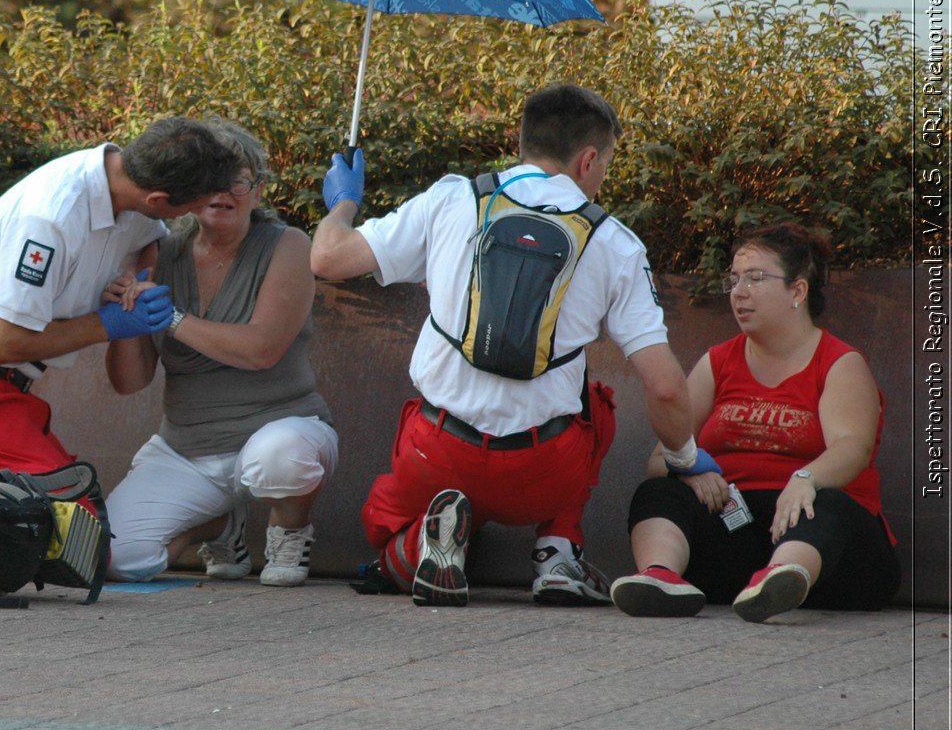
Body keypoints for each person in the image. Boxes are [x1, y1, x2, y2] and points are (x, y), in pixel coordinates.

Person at [310, 83, 714, 607]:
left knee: (386, 534)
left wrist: (343, 204)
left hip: (436, 453)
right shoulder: (615, 241)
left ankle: (419, 546)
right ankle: (557, 554)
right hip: (544, 468)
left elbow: (327, 260)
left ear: (519, 139)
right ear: (589, 159)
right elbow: (663, 387)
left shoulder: (454, 198)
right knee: (598, 409)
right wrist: (685, 458)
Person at [0, 117, 241, 483]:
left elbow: (152, 240)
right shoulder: (51, 217)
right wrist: (107, 323)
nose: (185, 218)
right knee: (70, 515)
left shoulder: (126, 187)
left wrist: (137, 284)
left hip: (0, 390)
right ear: (158, 199)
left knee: (52, 514)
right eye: (186, 209)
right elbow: (4, 343)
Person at [612, 223, 899, 622]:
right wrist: (689, 468)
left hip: (828, 548)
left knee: (828, 503)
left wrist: (805, 480)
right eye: (734, 280)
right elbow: (662, 454)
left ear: (797, 291)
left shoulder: (838, 362)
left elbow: (853, 446)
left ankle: (784, 577)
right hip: (737, 526)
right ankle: (660, 577)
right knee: (660, 490)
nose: (739, 292)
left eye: (756, 278)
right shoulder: (718, 361)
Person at [101, 121, 338, 587]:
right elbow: (130, 383)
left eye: (238, 180)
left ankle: (289, 532)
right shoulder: (158, 252)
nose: (222, 192)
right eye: (209, 181)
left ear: (257, 189)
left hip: (281, 427)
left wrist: (168, 317)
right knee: (112, 558)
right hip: (186, 448)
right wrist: (123, 316)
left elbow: (261, 351)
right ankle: (217, 524)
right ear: (189, 192)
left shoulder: (287, 245)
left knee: (279, 459)